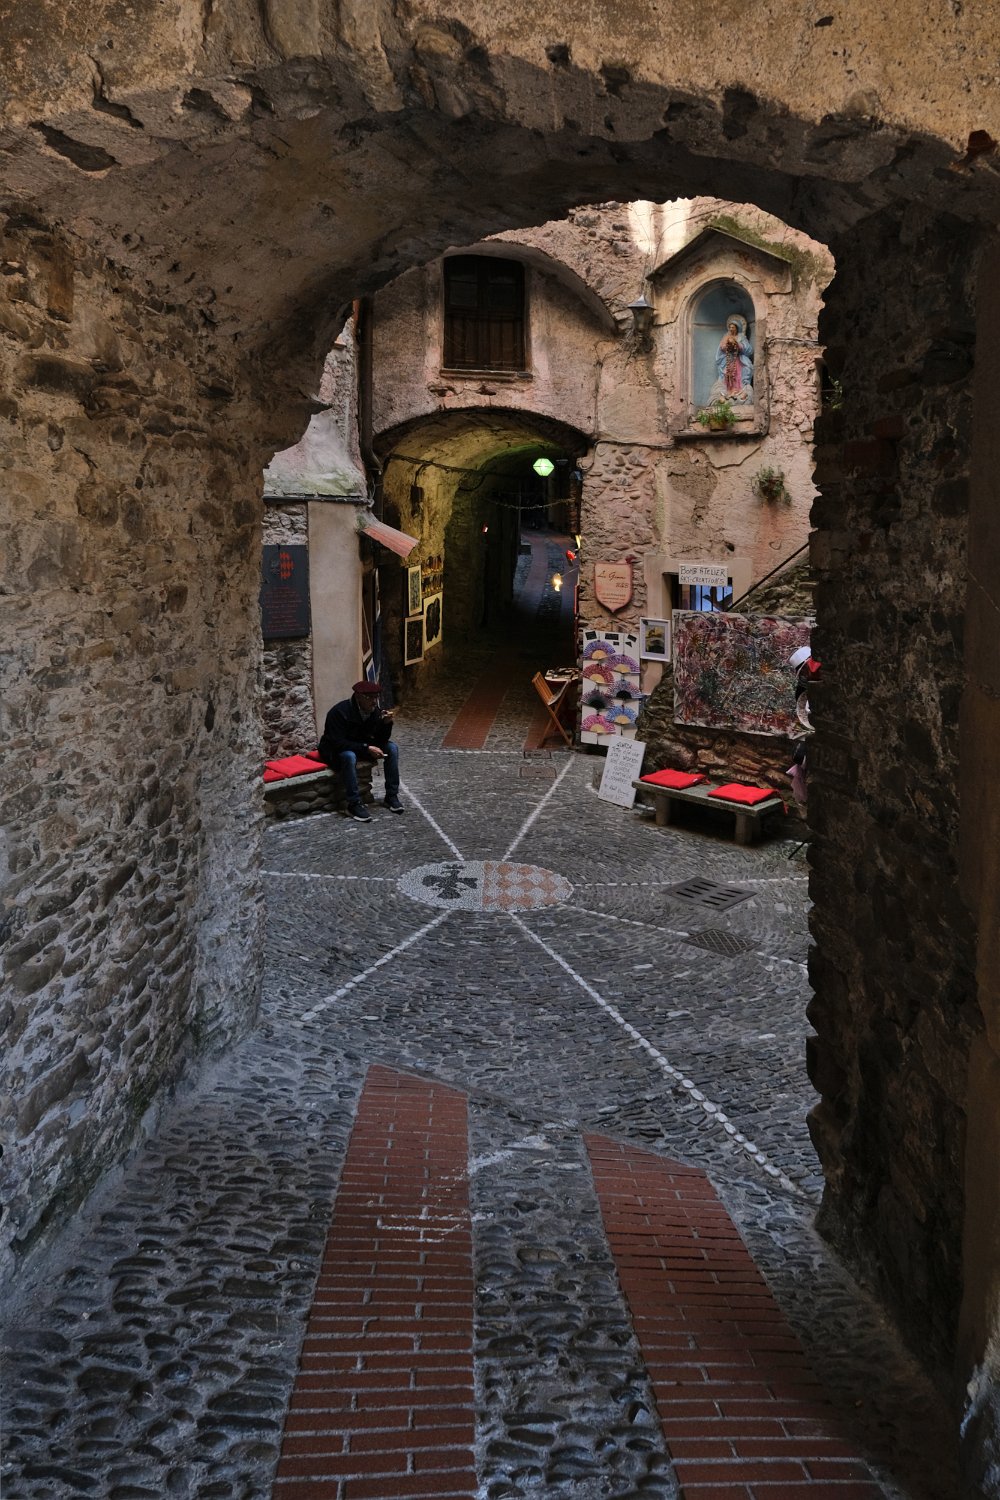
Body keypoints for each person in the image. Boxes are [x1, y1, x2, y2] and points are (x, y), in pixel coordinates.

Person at [319, 680, 403, 823]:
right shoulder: (339, 712)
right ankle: (353, 804)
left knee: (392, 748)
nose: (374, 701)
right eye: (370, 698)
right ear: (358, 696)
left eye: (376, 697)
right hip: (336, 750)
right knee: (349, 756)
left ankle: (391, 796)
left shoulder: (374, 711)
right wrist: (366, 748)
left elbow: (381, 740)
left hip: (361, 746)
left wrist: (386, 725)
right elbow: (337, 742)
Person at [712, 315, 754, 404]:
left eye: (733, 327)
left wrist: (738, 345)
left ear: (737, 328)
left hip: (739, 360)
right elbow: (721, 347)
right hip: (728, 361)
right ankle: (728, 393)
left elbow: (749, 349)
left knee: (738, 375)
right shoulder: (726, 336)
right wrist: (727, 346)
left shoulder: (741, 337)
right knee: (727, 376)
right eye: (730, 327)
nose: (731, 329)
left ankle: (739, 392)